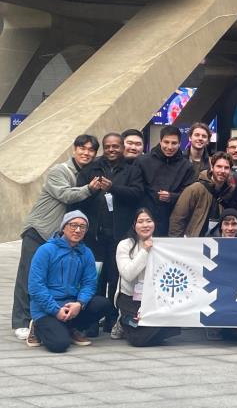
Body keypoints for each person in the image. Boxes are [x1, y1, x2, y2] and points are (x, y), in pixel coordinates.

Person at [12, 134, 100, 341]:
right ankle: (21, 321)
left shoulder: (86, 173)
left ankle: (49, 318)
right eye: (82, 148)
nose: (86, 153)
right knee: (27, 277)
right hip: (40, 230)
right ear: (74, 149)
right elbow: (66, 195)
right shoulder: (60, 170)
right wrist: (90, 189)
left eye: (91, 150)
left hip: (60, 236)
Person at [74, 132, 142, 336]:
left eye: (116, 146)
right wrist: (92, 189)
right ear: (104, 148)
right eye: (108, 146)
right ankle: (91, 320)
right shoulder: (92, 168)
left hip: (118, 235)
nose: (112, 149)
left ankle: (112, 318)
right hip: (94, 235)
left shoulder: (132, 169)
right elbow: (78, 195)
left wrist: (115, 188)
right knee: (94, 278)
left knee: (115, 278)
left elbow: (137, 194)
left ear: (122, 147)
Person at [27, 211, 110, 352]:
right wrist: (55, 310)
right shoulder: (46, 250)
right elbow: (36, 286)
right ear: (63, 227)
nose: (78, 230)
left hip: (72, 305)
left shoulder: (86, 253)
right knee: (59, 344)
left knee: (103, 304)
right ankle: (36, 326)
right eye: (73, 225)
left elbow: (89, 283)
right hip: (47, 308)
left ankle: (72, 328)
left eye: (82, 227)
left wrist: (80, 303)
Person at [115, 208, 179, 346]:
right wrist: (145, 250)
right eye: (140, 221)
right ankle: (122, 322)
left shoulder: (163, 245)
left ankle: (148, 325)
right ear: (134, 225)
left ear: (154, 223)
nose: (145, 225)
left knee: (174, 328)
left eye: (149, 221)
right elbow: (128, 274)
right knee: (138, 340)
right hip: (129, 297)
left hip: (154, 298)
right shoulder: (125, 245)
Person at [135, 125, 194, 237]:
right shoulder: (143, 161)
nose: (169, 147)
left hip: (173, 218)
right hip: (145, 217)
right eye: (166, 142)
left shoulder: (187, 166)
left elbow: (188, 194)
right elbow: (137, 189)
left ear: (180, 143)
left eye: (174, 143)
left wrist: (171, 197)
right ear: (160, 141)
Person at [169, 152, 236, 238]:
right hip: (194, 243)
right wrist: (177, 244)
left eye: (226, 168)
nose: (222, 171)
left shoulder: (229, 191)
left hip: (217, 243)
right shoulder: (195, 189)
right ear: (212, 167)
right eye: (219, 166)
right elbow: (177, 219)